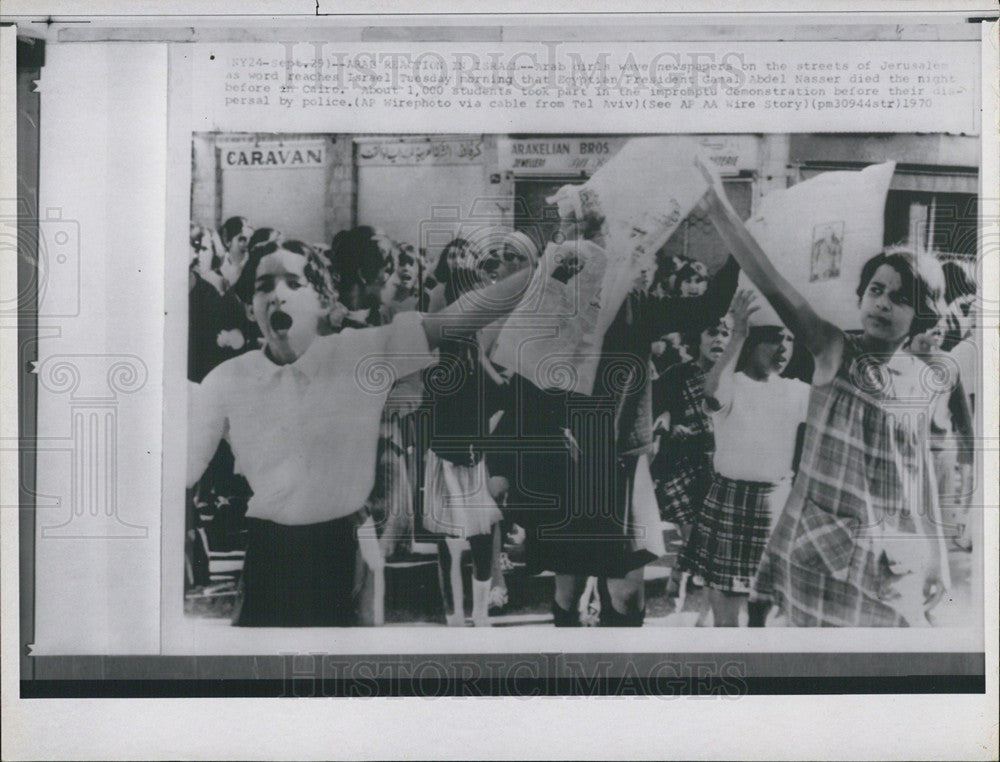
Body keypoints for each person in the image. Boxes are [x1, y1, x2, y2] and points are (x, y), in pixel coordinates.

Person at [187, 238, 533, 626]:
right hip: (268, 556)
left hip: (345, 552)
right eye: (263, 286)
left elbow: (457, 320)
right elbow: (179, 472)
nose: (277, 296)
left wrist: (539, 270)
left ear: (322, 301)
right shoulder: (228, 379)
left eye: (293, 283)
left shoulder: (358, 352)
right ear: (251, 309)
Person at [699, 178, 951, 627]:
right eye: (875, 290)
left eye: (900, 298)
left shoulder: (918, 378)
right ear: (860, 296)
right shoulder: (835, 351)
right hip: (820, 552)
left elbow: (921, 472)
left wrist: (939, 555)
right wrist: (720, 210)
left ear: (923, 315)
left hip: (888, 559)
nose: (883, 303)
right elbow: (771, 282)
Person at [679, 291, 809, 626]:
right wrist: (737, 333)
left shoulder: (795, 390)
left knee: (763, 616)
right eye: (774, 340)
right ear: (752, 343)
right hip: (730, 501)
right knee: (727, 620)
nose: (783, 350)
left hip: (776, 505)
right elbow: (711, 391)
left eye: (790, 340)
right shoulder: (732, 385)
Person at [650, 313, 732, 598]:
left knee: (708, 536)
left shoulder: (735, 378)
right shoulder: (677, 374)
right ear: (698, 338)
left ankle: (682, 573)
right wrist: (670, 425)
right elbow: (655, 412)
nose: (719, 338)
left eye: (725, 333)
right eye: (712, 332)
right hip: (681, 466)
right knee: (693, 534)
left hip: (718, 467)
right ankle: (683, 579)